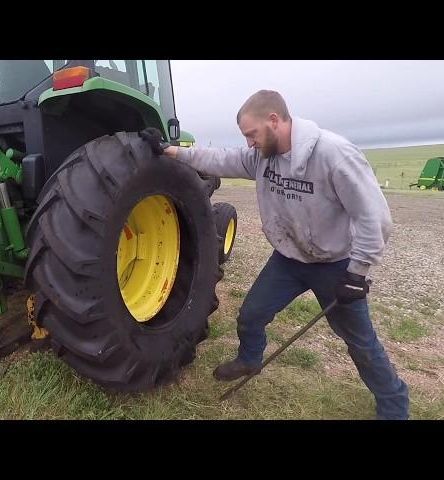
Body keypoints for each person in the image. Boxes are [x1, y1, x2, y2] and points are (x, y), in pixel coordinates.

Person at [139, 90, 409, 420]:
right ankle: (250, 360)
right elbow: (219, 158)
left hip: (334, 266)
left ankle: (394, 403)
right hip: (289, 260)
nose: (249, 143)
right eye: (245, 137)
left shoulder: (333, 154)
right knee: (251, 316)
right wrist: (168, 151)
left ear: (274, 120)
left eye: (251, 134)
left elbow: (373, 216)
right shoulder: (261, 156)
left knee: (360, 343)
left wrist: (358, 272)